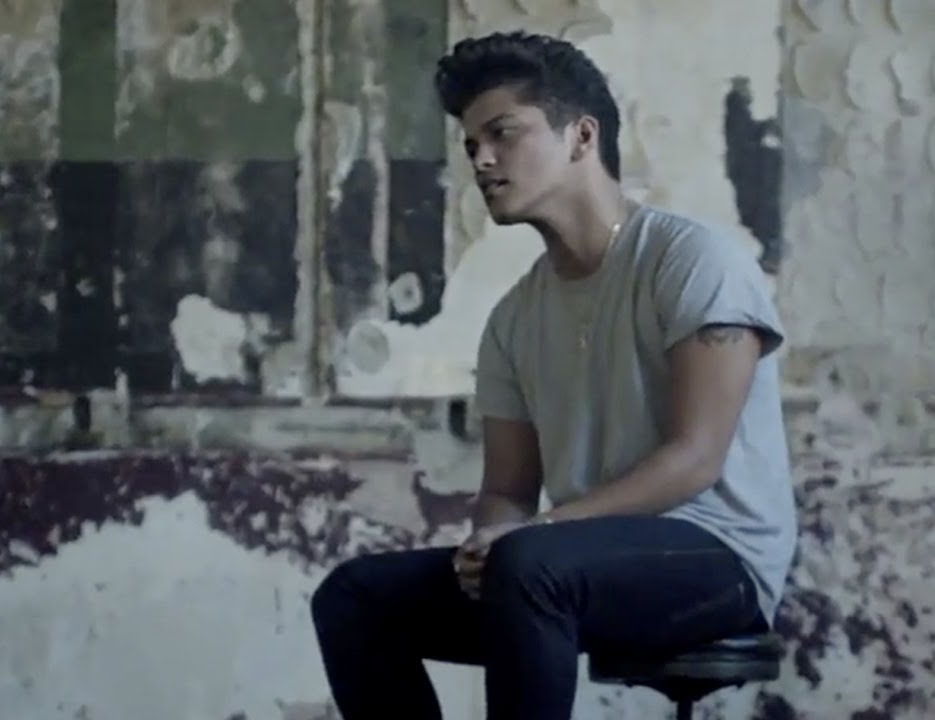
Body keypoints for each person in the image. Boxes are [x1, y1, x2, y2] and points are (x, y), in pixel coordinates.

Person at [310, 30, 797, 720]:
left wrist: (534, 535)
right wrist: (488, 543)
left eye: (502, 133)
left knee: (531, 566)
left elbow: (695, 458)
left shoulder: (693, 260)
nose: (481, 159)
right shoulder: (513, 318)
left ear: (581, 137)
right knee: (355, 596)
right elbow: (507, 491)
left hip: (718, 561)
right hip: (565, 564)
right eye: (471, 144)